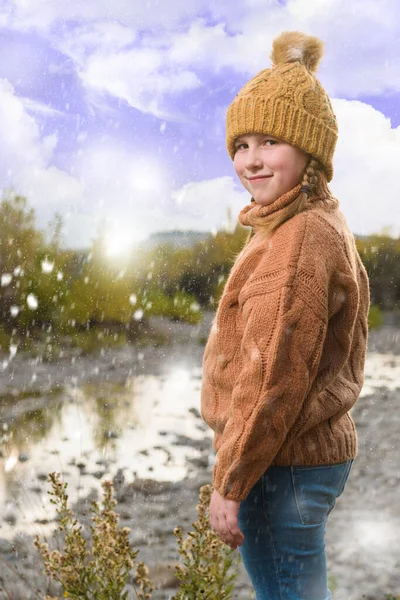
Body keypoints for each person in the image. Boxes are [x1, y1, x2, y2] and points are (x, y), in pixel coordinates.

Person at [200, 30, 370, 600]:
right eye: (240, 145)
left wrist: (231, 481)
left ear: (310, 151)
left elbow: (273, 373)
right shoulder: (316, 220)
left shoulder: (297, 240)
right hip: (301, 454)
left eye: (269, 141)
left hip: (281, 463)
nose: (251, 160)